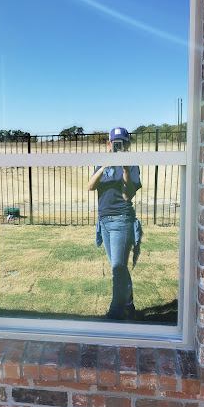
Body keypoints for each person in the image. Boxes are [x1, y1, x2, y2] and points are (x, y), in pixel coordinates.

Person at [87, 127, 142, 321]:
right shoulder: (105, 164)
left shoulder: (131, 165)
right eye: (114, 142)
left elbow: (128, 194)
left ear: (127, 144)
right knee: (118, 268)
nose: (118, 146)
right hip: (104, 221)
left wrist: (125, 169)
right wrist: (104, 166)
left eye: (122, 143)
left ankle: (115, 311)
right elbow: (90, 186)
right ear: (109, 144)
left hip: (121, 220)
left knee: (117, 269)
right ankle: (128, 306)